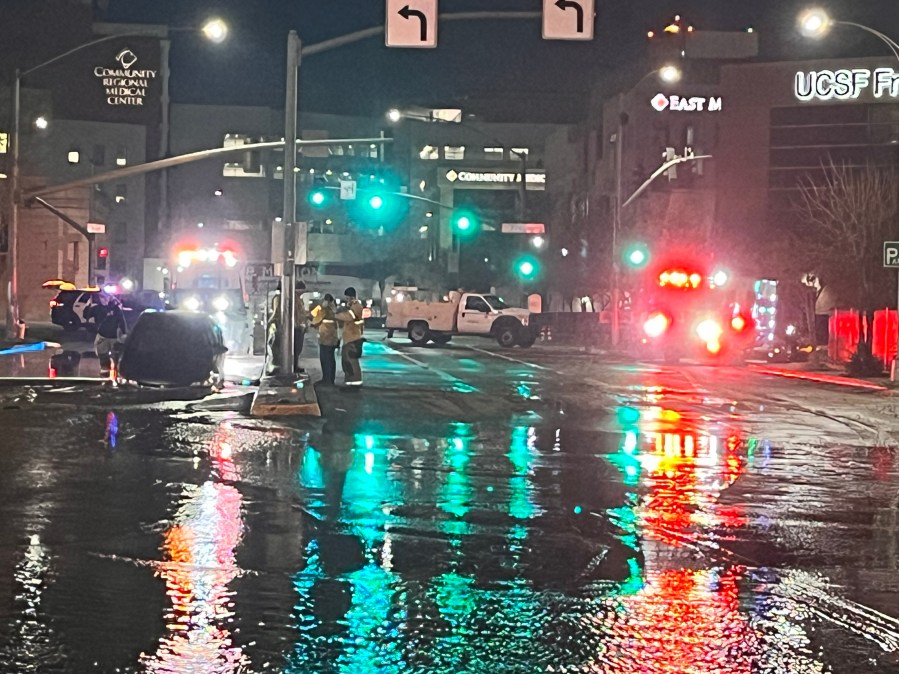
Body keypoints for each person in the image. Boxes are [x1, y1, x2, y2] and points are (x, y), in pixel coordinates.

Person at [87, 293, 127, 377]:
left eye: (104, 298)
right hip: (102, 336)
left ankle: (116, 372)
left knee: (116, 356)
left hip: (113, 336)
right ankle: (105, 372)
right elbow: (86, 315)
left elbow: (122, 321)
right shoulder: (97, 308)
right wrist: (88, 306)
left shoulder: (115, 309)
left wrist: (124, 333)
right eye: (101, 298)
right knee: (102, 355)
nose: (103, 299)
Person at [335, 287, 365, 388]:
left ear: (352, 297)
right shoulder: (352, 307)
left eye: (348, 298)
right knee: (347, 362)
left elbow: (349, 317)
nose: (347, 300)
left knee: (352, 362)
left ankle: (354, 383)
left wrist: (336, 315)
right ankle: (349, 382)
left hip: (353, 338)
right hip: (349, 338)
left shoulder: (357, 307)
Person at [312, 294, 339, 385]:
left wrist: (311, 322)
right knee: (331, 359)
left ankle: (326, 379)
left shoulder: (325, 310)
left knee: (325, 359)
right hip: (333, 338)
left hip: (326, 338)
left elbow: (316, 319)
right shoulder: (334, 310)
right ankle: (331, 379)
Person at [294, 280, 309, 373]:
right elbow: (298, 314)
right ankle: (294, 366)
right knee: (296, 348)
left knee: (298, 349)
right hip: (297, 327)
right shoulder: (295, 300)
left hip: (299, 326)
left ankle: (295, 365)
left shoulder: (299, 299)